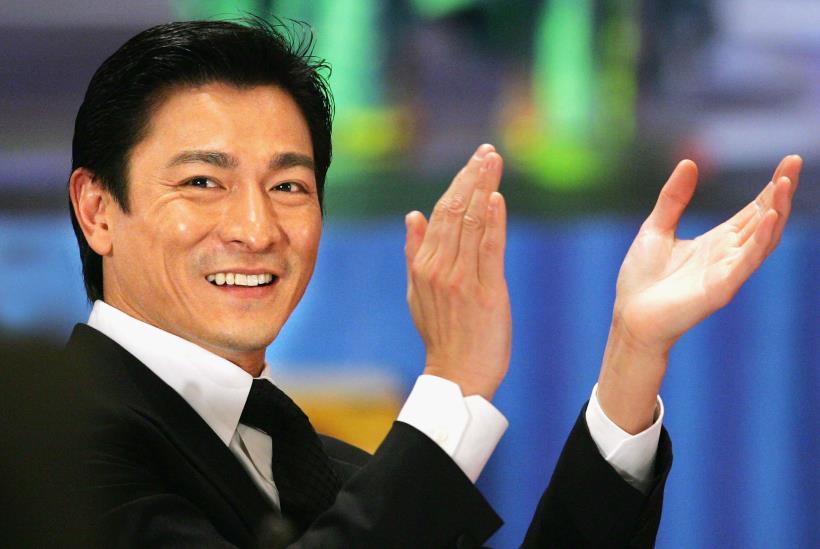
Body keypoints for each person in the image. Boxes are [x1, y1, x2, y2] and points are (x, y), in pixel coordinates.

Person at [63, 19, 801, 548]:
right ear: (97, 209)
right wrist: (453, 384)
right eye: (202, 181)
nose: (256, 229)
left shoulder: (320, 466)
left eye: (288, 186)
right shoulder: (39, 446)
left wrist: (633, 353)